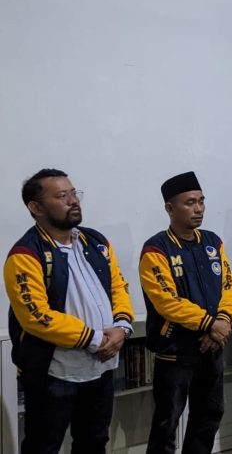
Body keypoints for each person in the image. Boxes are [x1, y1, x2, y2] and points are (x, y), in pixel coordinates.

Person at [3, 168, 134, 453]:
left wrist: (122, 327)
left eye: (74, 193)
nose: (73, 201)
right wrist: (97, 338)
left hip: (101, 368)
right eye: (62, 196)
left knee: (94, 441)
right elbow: (36, 316)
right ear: (35, 208)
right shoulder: (25, 254)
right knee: (43, 445)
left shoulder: (95, 242)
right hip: (55, 373)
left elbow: (118, 287)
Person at [139, 171, 232, 453]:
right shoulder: (156, 248)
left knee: (209, 415)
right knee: (166, 423)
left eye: (201, 202)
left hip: (212, 347)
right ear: (170, 208)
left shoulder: (212, 241)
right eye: (190, 202)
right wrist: (209, 324)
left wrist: (221, 321)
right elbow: (166, 301)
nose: (198, 209)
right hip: (176, 352)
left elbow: (229, 285)